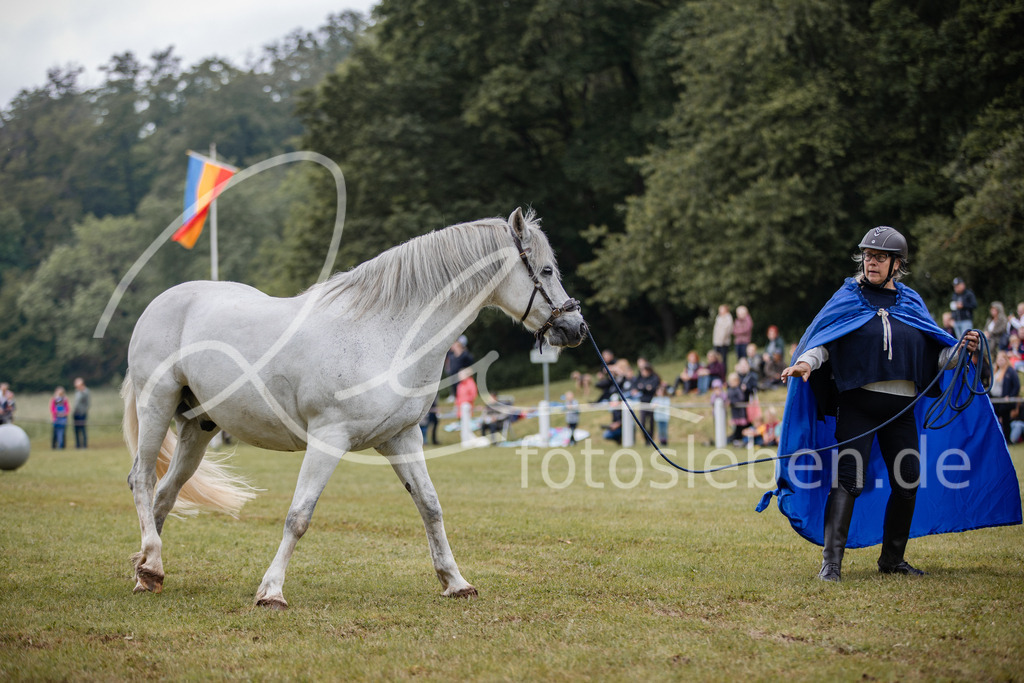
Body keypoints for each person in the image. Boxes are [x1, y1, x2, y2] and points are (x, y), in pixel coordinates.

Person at [766, 226, 1021, 583]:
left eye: (880, 257)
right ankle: (831, 564)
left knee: (908, 481)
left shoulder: (911, 303)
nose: (871, 262)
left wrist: (964, 351)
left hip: (900, 410)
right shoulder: (847, 298)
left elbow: (938, 356)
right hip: (857, 407)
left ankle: (892, 559)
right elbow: (823, 341)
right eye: (868, 256)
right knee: (848, 480)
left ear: (896, 264)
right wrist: (806, 364)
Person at [990, 350, 1020, 443]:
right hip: (996, 400)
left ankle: (1007, 440)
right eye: (998, 359)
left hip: (1004, 401)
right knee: (996, 420)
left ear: (1006, 360)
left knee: (1006, 421)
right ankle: (998, 440)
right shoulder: (996, 371)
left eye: (1002, 359)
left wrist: (1010, 396)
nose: (1000, 361)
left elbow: (1016, 385)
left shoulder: (1010, 371)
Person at [712, 305, 733, 371]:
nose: (720, 311)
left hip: (723, 342)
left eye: (721, 309)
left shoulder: (728, 318)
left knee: (723, 359)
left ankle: (723, 373)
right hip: (717, 342)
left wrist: (722, 340)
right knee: (716, 358)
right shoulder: (719, 318)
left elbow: (727, 331)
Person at [72, 377, 90, 449]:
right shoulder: (77, 391)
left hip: (82, 414)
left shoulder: (85, 391)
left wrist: (83, 412)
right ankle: (78, 445)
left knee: (83, 429)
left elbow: (87, 404)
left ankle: (84, 445)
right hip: (76, 413)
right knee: (76, 430)